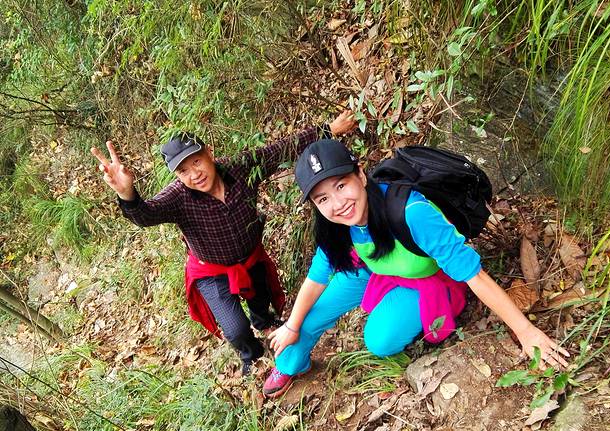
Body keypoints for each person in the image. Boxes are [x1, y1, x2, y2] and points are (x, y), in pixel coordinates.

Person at [263, 139, 569, 397]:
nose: (338, 203)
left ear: (361, 175)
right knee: (308, 314)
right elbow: (316, 279)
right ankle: (291, 365)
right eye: (323, 199)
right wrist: (291, 326)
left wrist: (526, 332)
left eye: (341, 185)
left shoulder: (412, 212)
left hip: (426, 277)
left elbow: (474, 275)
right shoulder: (336, 226)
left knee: (380, 340)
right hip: (376, 267)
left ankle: (411, 306)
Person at [90, 113, 357, 375]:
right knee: (235, 329)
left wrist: (328, 129)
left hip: (250, 257)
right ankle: (252, 355)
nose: (194, 174)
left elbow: (278, 151)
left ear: (210, 152)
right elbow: (147, 214)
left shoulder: (239, 168)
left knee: (261, 301)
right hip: (211, 271)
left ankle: (264, 321)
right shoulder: (178, 197)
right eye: (183, 171)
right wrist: (127, 193)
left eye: (196, 161)